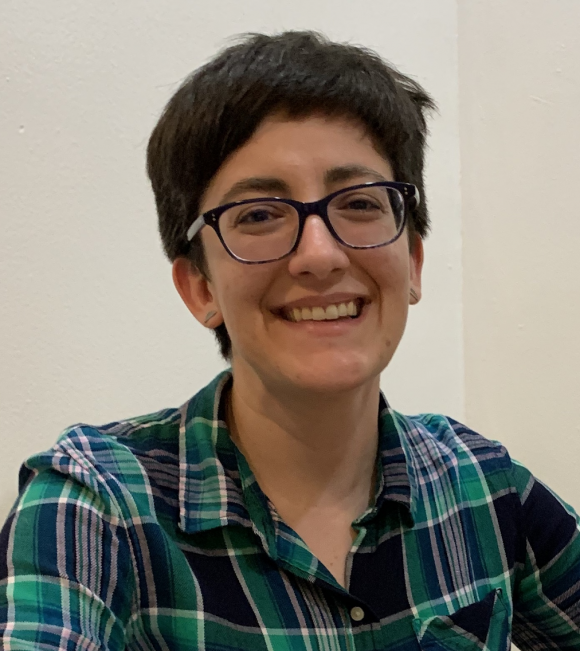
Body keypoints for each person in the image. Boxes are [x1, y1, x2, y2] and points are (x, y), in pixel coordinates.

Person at [1, 30, 579, 651]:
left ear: (413, 262)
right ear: (200, 286)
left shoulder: (485, 487)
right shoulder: (97, 506)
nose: (320, 254)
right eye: (258, 215)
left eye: (360, 203)